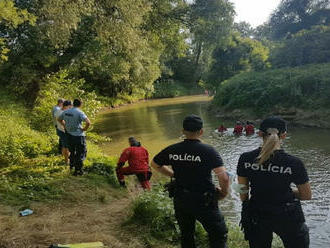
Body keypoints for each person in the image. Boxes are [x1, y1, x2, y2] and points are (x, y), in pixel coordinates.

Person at [151, 114, 229, 248]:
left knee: (186, 234)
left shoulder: (173, 149)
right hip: (204, 200)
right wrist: (223, 193)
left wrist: (174, 175)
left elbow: (155, 164)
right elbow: (223, 177)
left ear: (183, 131)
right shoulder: (208, 151)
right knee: (218, 234)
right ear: (201, 131)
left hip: (181, 198)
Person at [237, 116, 311, 248]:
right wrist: (288, 192)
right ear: (284, 135)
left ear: (259, 134)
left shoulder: (245, 158)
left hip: (257, 213)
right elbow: (306, 195)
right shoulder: (294, 163)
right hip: (287, 215)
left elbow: (242, 191)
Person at [58, 99, 91, 176]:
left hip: (69, 135)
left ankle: (71, 166)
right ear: (80, 104)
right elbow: (88, 122)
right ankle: (78, 170)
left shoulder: (66, 111)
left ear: (73, 104)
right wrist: (84, 129)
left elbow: (59, 119)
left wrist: (65, 126)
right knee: (81, 152)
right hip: (79, 136)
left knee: (72, 151)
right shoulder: (79, 112)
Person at [55, 100, 72, 165]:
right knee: (66, 147)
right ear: (67, 106)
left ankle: (64, 157)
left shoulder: (58, 111)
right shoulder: (63, 113)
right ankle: (66, 161)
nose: (70, 108)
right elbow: (63, 122)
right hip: (63, 131)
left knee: (63, 144)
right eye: (70, 106)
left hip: (59, 130)